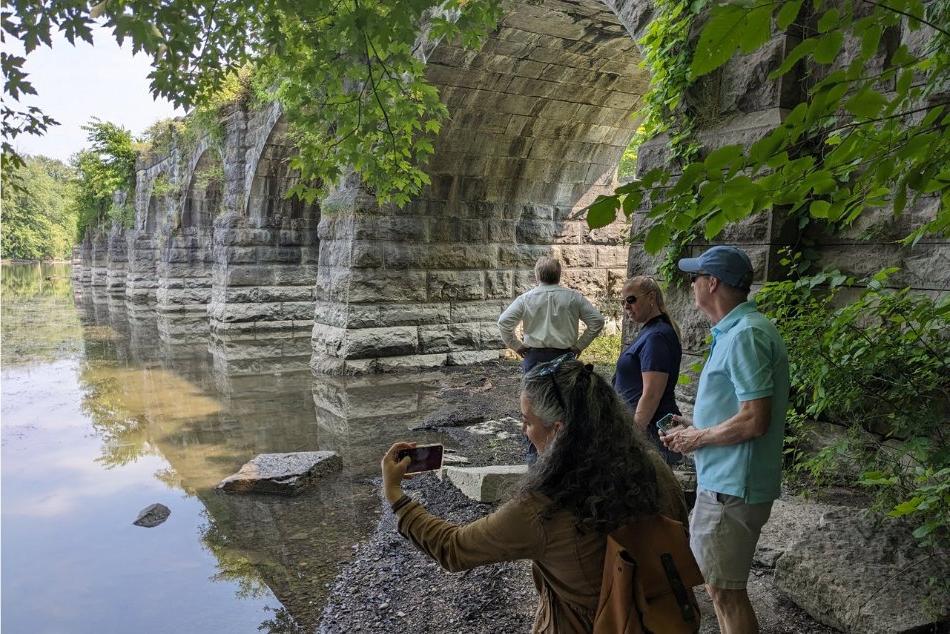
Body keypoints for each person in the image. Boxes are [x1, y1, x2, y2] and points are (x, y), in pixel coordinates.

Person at [381, 356, 689, 634]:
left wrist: (396, 495)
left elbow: (453, 548)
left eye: (527, 421)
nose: (524, 431)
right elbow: (680, 531)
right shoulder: (654, 469)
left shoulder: (544, 507)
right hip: (662, 619)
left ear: (558, 430)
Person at [661, 245, 789, 634]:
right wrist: (695, 423)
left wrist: (698, 437)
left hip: (732, 488)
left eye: (696, 277)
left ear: (712, 283)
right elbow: (741, 407)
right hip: (727, 483)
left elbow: (755, 419)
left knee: (726, 593)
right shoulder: (739, 331)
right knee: (721, 589)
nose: (692, 284)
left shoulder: (746, 336)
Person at [613, 275, 684, 465]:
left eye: (631, 299)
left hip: (650, 435)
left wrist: (632, 438)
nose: (626, 306)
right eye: (623, 302)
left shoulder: (657, 336)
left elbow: (651, 395)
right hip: (649, 432)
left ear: (651, 297)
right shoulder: (652, 331)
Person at [497, 256, 605, 373]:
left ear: (537, 276)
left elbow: (503, 322)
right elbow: (597, 321)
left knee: (534, 391)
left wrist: (516, 345)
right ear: (559, 275)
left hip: (535, 359)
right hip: (565, 358)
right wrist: (580, 345)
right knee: (564, 391)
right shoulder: (573, 297)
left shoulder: (525, 299)